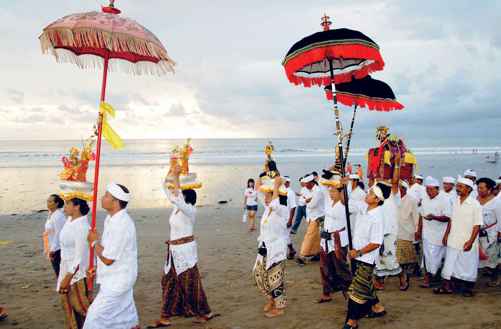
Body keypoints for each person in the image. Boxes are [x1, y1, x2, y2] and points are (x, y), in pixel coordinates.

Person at [148, 164, 216, 328]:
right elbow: (168, 192)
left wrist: (177, 177)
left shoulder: (190, 211)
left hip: (185, 253)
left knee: (190, 284)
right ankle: (165, 316)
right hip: (173, 252)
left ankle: (205, 312)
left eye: (180, 193)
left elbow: (176, 197)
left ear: (186, 197)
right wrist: (170, 173)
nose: (176, 194)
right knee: (168, 281)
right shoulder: (176, 209)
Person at [84, 183, 139, 329]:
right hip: (116, 275)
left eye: (106, 195)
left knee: (93, 317)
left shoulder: (121, 224)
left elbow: (108, 259)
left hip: (118, 280)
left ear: (116, 202)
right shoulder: (111, 219)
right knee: (126, 316)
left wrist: (93, 242)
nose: (102, 198)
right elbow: (109, 252)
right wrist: (97, 267)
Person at [343, 183, 389, 329]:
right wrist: (343, 185)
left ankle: (352, 322)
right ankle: (377, 307)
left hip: (366, 259)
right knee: (365, 284)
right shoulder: (365, 207)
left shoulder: (377, 217)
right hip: (356, 255)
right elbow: (346, 202)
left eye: (370, 193)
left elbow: (376, 243)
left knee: (356, 291)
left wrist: (358, 252)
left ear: (377, 199)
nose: (366, 195)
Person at [434, 177, 482, 297]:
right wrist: (446, 235)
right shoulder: (455, 202)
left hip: (467, 240)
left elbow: (477, 225)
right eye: (458, 186)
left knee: (467, 265)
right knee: (449, 263)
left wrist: (471, 241)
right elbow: (451, 220)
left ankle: (468, 289)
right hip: (453, 238)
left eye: (460, 187)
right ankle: (446, 287)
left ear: (469, 189)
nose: (457, 189)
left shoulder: (475, 204)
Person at [254, 176, 288, 318]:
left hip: (276, 250)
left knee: (275, 280)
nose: (266, 199)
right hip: (264, 247)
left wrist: (276, 186)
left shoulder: (282, 209)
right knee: (258, 274)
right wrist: (259, 183)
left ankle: (279, 307)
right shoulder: (269, 209)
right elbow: (260, 194)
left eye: (269, 196)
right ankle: (271, 299)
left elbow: (274, 203)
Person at [58, 198, 91, 329]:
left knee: (82, 307)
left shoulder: (82, 226)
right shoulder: (70, 220)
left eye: (67, 204)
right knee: (67, 306)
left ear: (76, 207)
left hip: (77, 273)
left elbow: (79, 257)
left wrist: (67, 278)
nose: (64, 206)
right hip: (65, 268)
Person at [318, 179, 352, 303]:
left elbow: (346, 198)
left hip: (338, 239)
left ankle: (348, 291)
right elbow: (322, 183)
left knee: (341, 266)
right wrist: (332, 168)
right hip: (326, 238)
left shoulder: (344, 203)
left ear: (340, 192)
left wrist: (344, 185)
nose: (331, 193)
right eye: (330, 191)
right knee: (324, 266)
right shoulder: (328, 202)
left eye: (333, 191)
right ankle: (326, 292)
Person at [417, 176, 452, 288]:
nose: (429, 192)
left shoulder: (445, 199)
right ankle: (428, 279)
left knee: (437, 258)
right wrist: (419, 230)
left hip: (439, 234)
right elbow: (421, 216)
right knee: (427, 257)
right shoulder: (425, 199)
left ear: (437, 189)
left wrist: (434, 217)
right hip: (426, 234)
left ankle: (437, 279)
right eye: (427, 189)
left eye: (431, 189)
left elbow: (448, 217)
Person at [374, 153, 402, 289]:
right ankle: (380, 280)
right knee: (378, 256)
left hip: (390, 229)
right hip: (378, 227)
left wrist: (397, 164)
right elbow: (377, 176)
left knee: (391, 256)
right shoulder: (376, 192)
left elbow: (395, 181)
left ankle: (402, 277)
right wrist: (380, 160)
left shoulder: (393, 192)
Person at [477, 177, 501, 286]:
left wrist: (498, 234)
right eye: (478, 187)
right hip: (477, 233)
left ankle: (495, 278)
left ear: (489, 189)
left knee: (493, 257)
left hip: (492, 233)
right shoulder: (476, 200)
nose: (479, 190)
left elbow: (500, 219)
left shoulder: (496, 202)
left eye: (482, 188)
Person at [395, 181, 419, 291]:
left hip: (406, 233)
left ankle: (404, 278)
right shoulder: (393, 199)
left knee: (406, 259)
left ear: (404, 189)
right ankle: (401, 278)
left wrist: (417, 231)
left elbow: (416, 217)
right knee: (396, 258)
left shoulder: (412, 200)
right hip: (394, 232)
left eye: (400, 188)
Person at [297, 174, 324, 265]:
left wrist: (307, 201)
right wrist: (307, 200)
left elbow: (312, 205)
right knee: (316, 237)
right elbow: (302, 201)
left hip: (317, 216)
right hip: (311, 216)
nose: (305, 186)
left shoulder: (318, 191)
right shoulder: (309, 190)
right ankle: (317, 253)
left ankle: (302, 255)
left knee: (309, 236)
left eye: (306, 184)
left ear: (311, 183)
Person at [44, 194, 67, 277]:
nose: (48, 203)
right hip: (52, 244)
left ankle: (64, 287)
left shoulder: (58, 216)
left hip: (58, 247)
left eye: (50, 201)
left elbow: (59, 233)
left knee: (59, 270)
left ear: (56, 203)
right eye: (47, 201)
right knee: (57, 269)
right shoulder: (51, 213)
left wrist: (53, 249)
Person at [284, 176, 297, 259]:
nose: (284, 183)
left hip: (287, 217)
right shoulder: (281, 191)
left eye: (286, 182)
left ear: (288, 183)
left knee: (285, 236)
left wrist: (290, 220)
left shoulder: (290, 193)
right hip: (281, 217)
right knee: (285, 235)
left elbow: (293, 207)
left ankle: (290, 250)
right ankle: (291, 250)